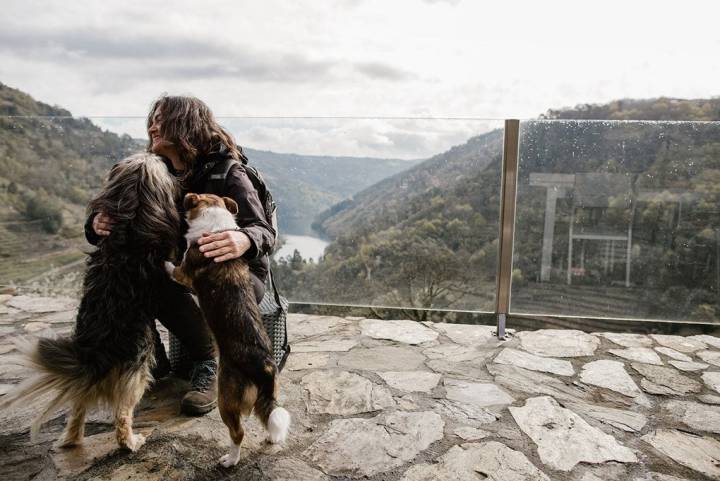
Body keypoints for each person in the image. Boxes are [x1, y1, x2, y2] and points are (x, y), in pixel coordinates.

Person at [85, 95, 276, 416]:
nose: (152, 126)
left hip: (237, 277)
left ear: (186, 124)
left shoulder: (228, 172)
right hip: (182, 267)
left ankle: (208, 363)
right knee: (136, 267)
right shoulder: (152, 171)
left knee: (176, 280)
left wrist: (243, 239)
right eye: (152, 119)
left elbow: (264, 230)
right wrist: (95, 224)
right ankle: (150, 356)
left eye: (162, 118)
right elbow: (119, 214)